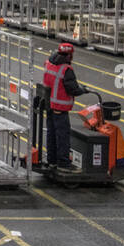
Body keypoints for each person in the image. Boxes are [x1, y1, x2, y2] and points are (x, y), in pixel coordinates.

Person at [43, 42, 87, 173]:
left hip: (49, 106)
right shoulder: (66, 69)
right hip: (60, 108)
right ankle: (63, 163)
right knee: (63, 137)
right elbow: (72, 89)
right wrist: (83, 90)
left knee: (51, 134)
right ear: (69, 55)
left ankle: (52, 161)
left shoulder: (49, 63)